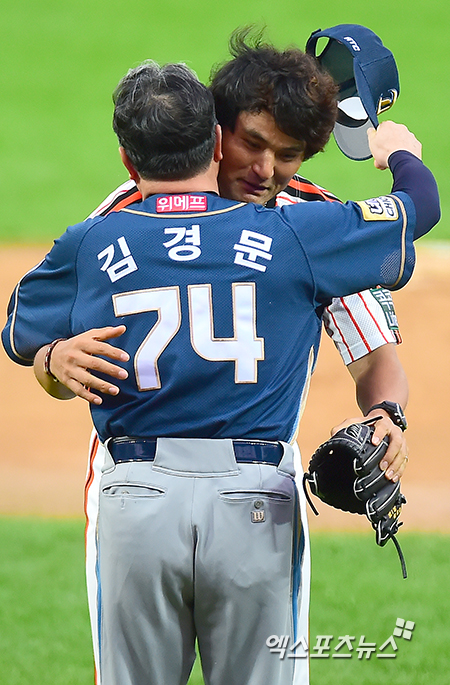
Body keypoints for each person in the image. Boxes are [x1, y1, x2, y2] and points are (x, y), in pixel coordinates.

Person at [2, 56, 439, 685]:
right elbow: (417, 207)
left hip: (145, 501)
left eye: (287, 155)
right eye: (253, 143)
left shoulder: (125, 226)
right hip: (231, 496)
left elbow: (376, 361)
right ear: (216, 133)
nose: (265, 170)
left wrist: (386, 414)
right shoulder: (307, 233)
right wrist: (53, 362)